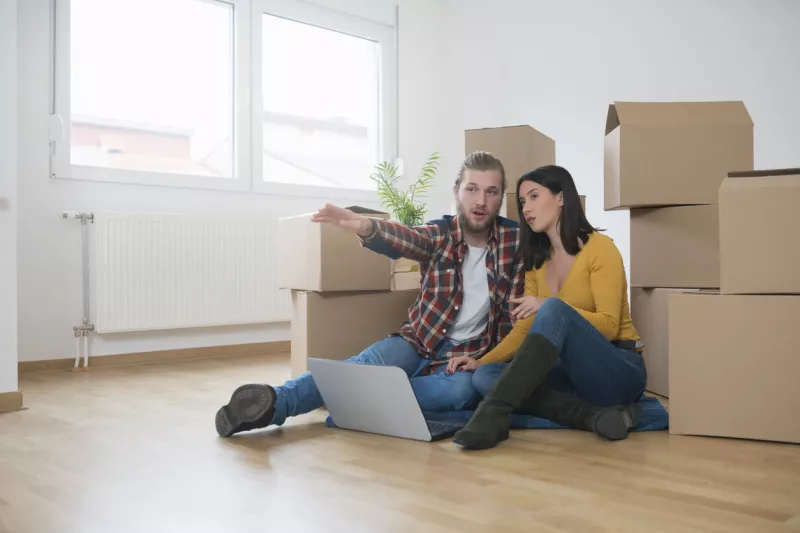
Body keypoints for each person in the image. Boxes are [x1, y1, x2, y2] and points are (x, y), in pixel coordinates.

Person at [215, 151, 527, 438]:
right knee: (364, 364)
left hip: (465, 358)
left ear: (501, 197)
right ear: (457, 190)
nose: (480, 201)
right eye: (472, 189)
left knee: (460, 392)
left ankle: (357, 400)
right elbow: (407, 237)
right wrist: (367, 227)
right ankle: (275, 404)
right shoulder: (439, 234)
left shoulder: (515, 242)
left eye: (491, 192)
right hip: (417, 341)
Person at [446, 165, 646, 450]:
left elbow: (611, 326)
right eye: (523, 201)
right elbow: (525, 327)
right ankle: (594, 416)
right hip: (571, 375)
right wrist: (483, 360)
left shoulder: (600, 249)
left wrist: (549, 305)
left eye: (535, 196)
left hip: (618, 369)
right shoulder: (537, 261)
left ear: (561, 198)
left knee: (553, 309)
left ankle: (493, 413)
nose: (526, 208)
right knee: (486, 377)